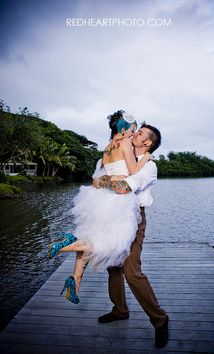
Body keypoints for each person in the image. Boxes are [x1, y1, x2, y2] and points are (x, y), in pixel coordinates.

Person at [48, 110, 151, 299]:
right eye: (133, 130)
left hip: (100, 198)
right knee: (109, 245)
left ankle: (75, 279)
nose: (133, 134)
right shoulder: (126, 142)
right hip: (118, 201)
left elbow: (100, 176)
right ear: (124, 129)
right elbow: (133, 170)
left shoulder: (108, 147)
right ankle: (64, 245)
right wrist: (145, 158)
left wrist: (109, 177)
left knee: (91, 235)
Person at [92, 120, 169, 348]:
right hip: (112, 215)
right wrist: (102, 178)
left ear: (147, 143)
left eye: (141, 133)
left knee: (131, 271)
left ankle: (160, 319)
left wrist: (102, 181)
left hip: (134, 218)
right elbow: (99, 174)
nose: (135, 133)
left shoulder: (149, 166)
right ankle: (120, 310)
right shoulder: (121, 156)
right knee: (113, 266)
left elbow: (124, 187)